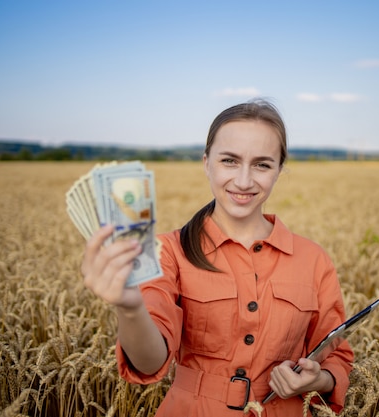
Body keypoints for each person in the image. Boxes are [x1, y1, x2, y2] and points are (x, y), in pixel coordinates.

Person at [82, 99, 354, 416]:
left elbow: (337, 355)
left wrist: (318, 379)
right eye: (229, 161)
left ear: (279, 170)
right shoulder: (168, 251)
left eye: (262, 165)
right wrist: (129, 307)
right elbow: (149, 362)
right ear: (206, 162)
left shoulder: (313, 259)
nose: (243, 180)